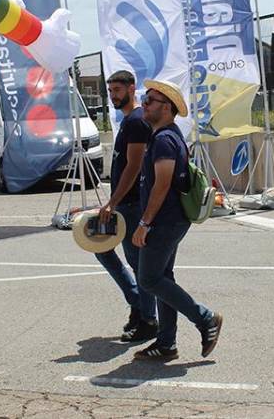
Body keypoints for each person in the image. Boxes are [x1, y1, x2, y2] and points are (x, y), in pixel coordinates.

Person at [130, 79, 222, 361]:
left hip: (164, 221)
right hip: (169, 220)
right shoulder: (164, 137)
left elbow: (162, 184)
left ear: (167, 108)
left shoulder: (165, 140)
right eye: (144, 100)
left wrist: (144, 223)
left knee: (148, 278)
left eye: (150, 101)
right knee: (162, 277)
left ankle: (205, 318)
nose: (144, 105)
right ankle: (167, 343)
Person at [93, 70, 158, 342]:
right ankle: (138, 306)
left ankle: (147, 319)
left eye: (117, 90)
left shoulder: (136, 121)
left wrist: (113, 202)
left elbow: (134, 165)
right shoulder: (128, 120)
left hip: (131, 205)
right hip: (123, 204)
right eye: (110, 91)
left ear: (132, 89)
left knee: (136, 263)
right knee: (102, 249)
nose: (113, 96)